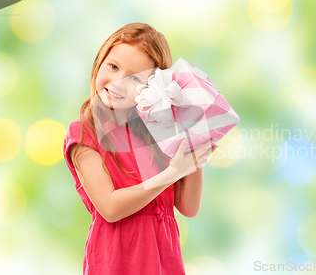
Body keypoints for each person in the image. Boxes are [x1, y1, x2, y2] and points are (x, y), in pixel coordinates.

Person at [62, 22, 217, 275]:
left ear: (156, 87)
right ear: (99, 61)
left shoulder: (161, 132)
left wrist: (193, 142)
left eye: (134, 77)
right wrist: (173, 172)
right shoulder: (84, 132)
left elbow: (188, 207)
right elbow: (110, 208)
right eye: (113, 66)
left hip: (164, 262)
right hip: (116, 262)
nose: (117, 82)